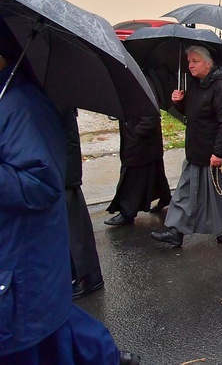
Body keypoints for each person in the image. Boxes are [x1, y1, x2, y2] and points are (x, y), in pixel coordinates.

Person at [0, 39, 139, 364]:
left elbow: (39, 179)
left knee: (44, 330)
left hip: (26, 253)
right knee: (53, 329)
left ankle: (91, 283)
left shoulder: (24, 104)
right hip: (24, 271)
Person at [151, 46, 222, 246]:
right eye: (189, 62)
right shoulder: (194, 84)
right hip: (196, 150)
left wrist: (219, 152)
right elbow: (193, 113)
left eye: (195, 61)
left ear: (208, 64)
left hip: (217, 154)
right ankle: (176, 231)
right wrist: (179, 102)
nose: (190, 65)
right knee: (185, 192)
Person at [58, 107, 105, 299]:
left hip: (64, 174)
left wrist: (68, 177)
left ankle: (86, 278)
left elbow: (69, 138)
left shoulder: (57, 94)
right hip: (60, 171)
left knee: (75, 231)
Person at [104, 113, 171, 225]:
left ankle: (127, 213)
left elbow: (150, 119)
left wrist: (135, 133)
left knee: (132, 177)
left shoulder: (144, 96)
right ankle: (165, 197)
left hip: (141, 144)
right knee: (155, 173)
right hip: (140, 143)